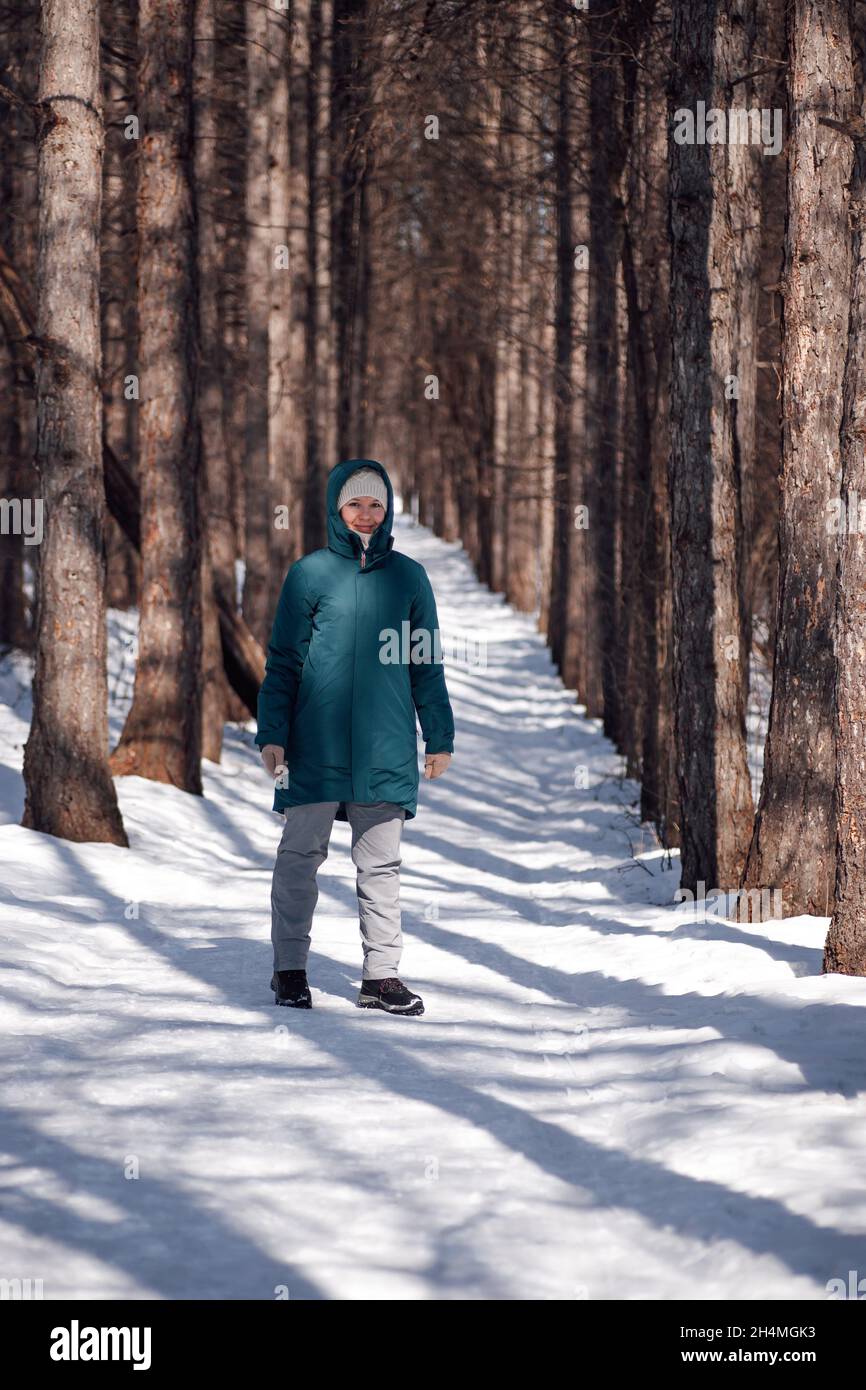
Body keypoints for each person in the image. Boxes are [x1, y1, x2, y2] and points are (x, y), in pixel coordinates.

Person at [256, 458, 455, 1017]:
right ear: (335, 511)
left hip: (385, 745)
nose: (366, 515)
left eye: (375, 505)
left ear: (387, 510)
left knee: (381, 867)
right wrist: (272, 733)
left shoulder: (409, 577)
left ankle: (381, 977)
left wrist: (438, 736)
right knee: (299, 858)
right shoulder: (310, 574)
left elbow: (426, 662)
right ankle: (289, 971)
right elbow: (284, 662)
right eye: (355, 505)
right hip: (313, 744)